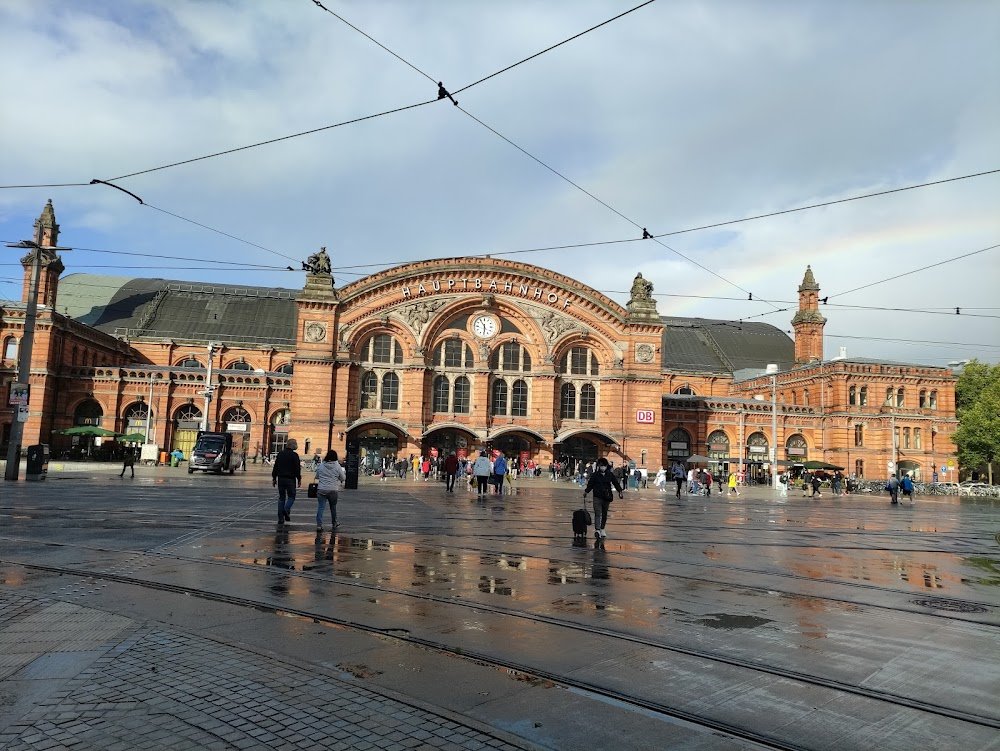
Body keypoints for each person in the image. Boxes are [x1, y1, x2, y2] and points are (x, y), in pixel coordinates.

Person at [583, 457, 624, 539]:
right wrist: (586, 492)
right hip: (597, 496)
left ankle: (602, 528)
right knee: (598, 513)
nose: (602, 467)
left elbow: (615, 483)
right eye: (601, 465)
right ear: (598, 466)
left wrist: (620, 491)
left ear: (606, 466)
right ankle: (597, 529)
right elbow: (590, 484)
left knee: (604, 513)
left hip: (606, 497)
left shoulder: (610, 474)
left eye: (604, 465)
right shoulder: (595, 475)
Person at [314, 450, 346, 531]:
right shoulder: (337, 466)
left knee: (321, 507)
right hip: (333, 490)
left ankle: (319, 525)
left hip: (321, 489)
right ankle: (334, 522)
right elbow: (343, 478)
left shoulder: (321, 465)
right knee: (333, 507)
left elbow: (317, 476)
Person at [272, 438, 301, 524]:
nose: (296, 445)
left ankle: (280, 518)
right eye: (295, 444)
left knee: (281, 498)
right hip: (290, 479)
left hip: (281, 479)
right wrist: (299, 479)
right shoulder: (294, 455)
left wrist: (274, 478)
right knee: (291, 496)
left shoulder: (280, 454)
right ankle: (286, 509)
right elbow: (297, 468)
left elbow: (276, 467)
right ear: (292, 445)